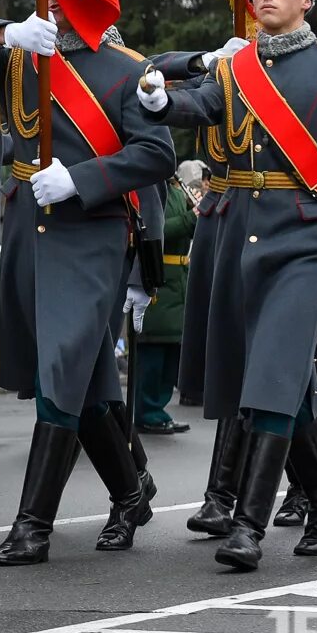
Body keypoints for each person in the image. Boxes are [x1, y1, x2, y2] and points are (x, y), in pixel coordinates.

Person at [137, 0, 317, 570]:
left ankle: (250, 524)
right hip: (243, 239)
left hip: (307, 240)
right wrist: (163, 102)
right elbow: (199, 105)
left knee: (272, 375)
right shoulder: (234, 68)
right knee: (270, 379)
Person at [0, 0, 174, 566]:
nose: (56, 8)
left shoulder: (126, 71)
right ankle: (130, 494)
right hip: (28, 236)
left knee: (63, 366)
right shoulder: (21, 63)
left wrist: (83, 178)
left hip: (91, 234)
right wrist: (5, 33)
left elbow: (157, 155)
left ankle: (33, 524)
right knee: (81, 383)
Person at [136, 169, 198, 436]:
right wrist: (189, 217)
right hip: (160, 276)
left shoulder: (174, 189)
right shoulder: (148, 187)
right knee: (153, 353)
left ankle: (157, 409)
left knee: (171, 350)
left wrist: (196, 210)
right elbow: (157, 229)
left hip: (179, 279)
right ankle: (147, 411)